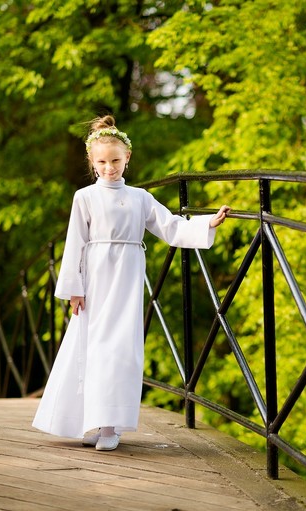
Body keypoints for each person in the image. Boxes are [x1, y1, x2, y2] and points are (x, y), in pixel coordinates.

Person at [32, 115, 230, 451]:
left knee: (119, 348)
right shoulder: (84, 197)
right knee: (92, 345)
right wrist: (73, 288)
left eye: (115, 161)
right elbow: (75, 242)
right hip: (95, 276)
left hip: (126, 277)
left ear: (127, 159)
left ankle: (111, 425)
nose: (109, 168)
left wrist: (207, 223)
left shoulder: (140, 198)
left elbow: (170, 227)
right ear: (92, 163)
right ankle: (90, 419)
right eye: (102, 162)